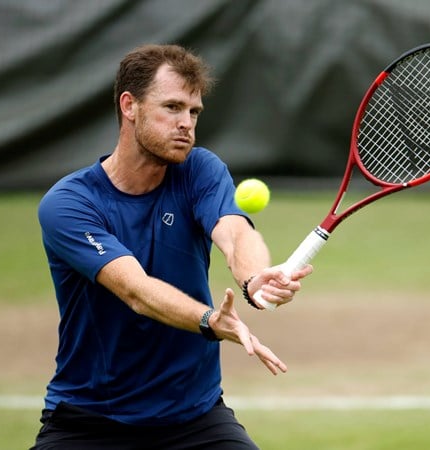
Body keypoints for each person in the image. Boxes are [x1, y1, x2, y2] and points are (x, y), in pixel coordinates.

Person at [30, 44, 312, 450]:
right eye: (173, 108)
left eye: (193, 112)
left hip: (194, 419)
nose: (187, 124)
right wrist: (209, 321)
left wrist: (254, 280)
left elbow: (235, 234)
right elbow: (136, 290)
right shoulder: (69, 204)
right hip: (90, 421)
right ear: (130, 106)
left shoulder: (200, 169)